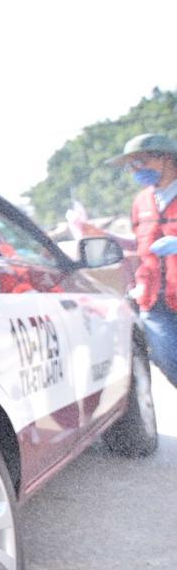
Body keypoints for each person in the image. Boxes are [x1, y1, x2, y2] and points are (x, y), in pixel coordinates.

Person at [107, 133, 177, 388]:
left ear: (166, 159)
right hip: (154, 301)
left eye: (140, 162)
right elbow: (140, 246)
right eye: (131, 165)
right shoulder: (141, 202)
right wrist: (106, 237)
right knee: (165, 357)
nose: (135, 171)